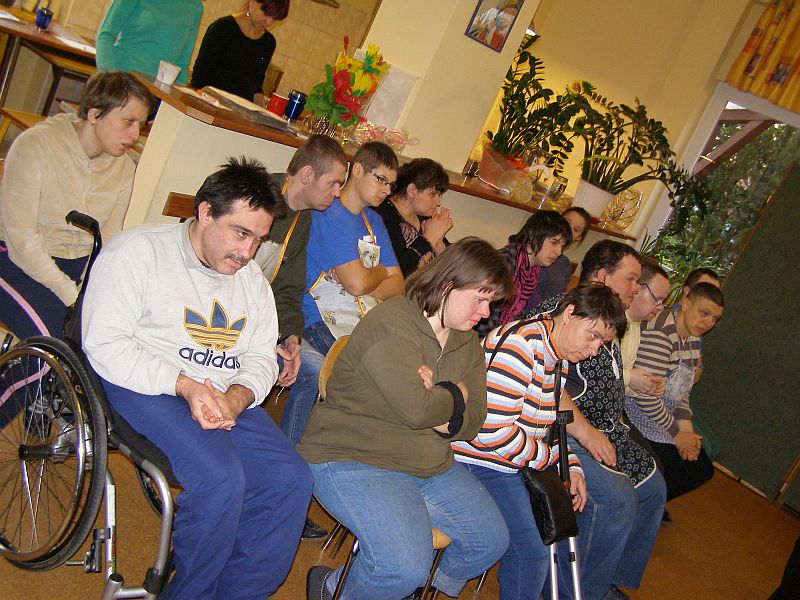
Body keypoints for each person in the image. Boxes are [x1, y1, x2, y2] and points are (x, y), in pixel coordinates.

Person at [82, 157, 313, 600]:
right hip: (147, 385)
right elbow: (105, 342)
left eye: (259, 239)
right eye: (240, 233)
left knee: (291, 480)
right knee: (221, 480)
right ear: (205, 212)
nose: (248, 252)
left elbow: (261, 355)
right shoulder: (138, 253)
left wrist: (238, 397)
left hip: (223, 393)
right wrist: (184, 385)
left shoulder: (251, 280)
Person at [300, 237, 514, 600]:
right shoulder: (392, 322)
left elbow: (475, 419)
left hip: (428, 462)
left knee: (489, 541)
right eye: (480, 299)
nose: (485, 313)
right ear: (448, 284)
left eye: (490, 302)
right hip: (356, 456)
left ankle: (398, 591)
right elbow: (418, 411)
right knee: (402, 567)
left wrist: (440, 405)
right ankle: (340, 590)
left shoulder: (466, 343)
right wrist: (455, 394)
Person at [454, 283, 629, 600]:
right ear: (570, 313)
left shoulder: (556, 354)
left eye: (602, 343)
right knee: (531, 553)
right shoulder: (520, 346)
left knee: (556, 534)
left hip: (510, 462)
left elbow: (546, 426)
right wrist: (549, 460)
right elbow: (492, 433)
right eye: (593, 336)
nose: (593, 350)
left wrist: (570, 465)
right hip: (479, 461)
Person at [531, 240, 667, 600]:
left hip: (602, 428)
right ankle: (578, 592)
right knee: (617, 501)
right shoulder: (565, 313)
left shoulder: (609, 320)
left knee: (653, 489)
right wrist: (587, 432)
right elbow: (546, 382)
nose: (635, 288)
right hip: (558, 430)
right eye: (631, 279)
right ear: (603, 276)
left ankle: (604, 581)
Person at [0, 71, 153, 340]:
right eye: (128, 121)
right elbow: (22, 241)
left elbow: (109, 238)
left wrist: (89, 291)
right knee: (59, 344)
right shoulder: (35, 145)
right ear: (94, 115)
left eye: (141, 124)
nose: (135, 134)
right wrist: (72, 296)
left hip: (76, 269)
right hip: (16, 263)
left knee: (110, 338)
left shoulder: (124, 167)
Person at [254, 134, 347, 539]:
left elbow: (288, 289)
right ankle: (272, 482)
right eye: (334, 183)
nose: (337, 193)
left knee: (309, 366)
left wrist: (290, 337)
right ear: (306, 174)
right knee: (305, 367)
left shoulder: (302, 218)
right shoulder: (255, 196)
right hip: (228, 319)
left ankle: (281, 485)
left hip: (265, 321)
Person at [302, 141, 404, 356]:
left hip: (363, 320)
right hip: (320, 321)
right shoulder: (329, 211)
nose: (387, 191)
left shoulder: (374, 221)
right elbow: (357, 284)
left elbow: (397, 286)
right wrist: (380, 272)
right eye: (381, 180)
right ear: (357, 170)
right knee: (365, 370)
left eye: (391, 185)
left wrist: (363, 279)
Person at [625, 282, 724, 501]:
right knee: (676, 470)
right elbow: (645, 397)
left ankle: (649, 508)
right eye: (704, 313)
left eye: (715, 319)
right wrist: (677, 435)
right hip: (637, 411)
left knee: (702, 469)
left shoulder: (693, 338)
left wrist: (687, 434)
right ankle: (640, 506)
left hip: (662, 414)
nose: (708, 322)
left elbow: (682, 392)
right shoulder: (662, 332)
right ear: (686, 303)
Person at [475, 210, 572, 338]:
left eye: (562, 246)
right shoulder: (505, 263)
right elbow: (483, 318)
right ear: (533, 235)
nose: (558, 252)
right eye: (554, 242)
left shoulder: (531, 270)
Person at [191, 0, 289, 104]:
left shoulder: (268, 42)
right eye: (266, 13)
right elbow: (199, 77)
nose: (268, 22)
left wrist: (262, 110)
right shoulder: (223, 28)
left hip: (240, 110)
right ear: (252, 3)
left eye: (274, 18)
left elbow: (256, 86)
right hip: (211, 104)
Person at [375, 157, 452, 277]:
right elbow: (398, 273)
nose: (438, 203)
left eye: (439, 196)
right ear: (412, 190)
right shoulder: (382, 216)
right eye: (433, 195)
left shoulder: (425, 218)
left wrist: (441, 250)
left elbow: (453, 270)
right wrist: (430, 238)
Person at [96, 0, 204, 85]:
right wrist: (111, 81)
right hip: (122, 82)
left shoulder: (196, 7)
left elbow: (182, 65)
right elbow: (106, 36)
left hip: (157, 96)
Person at [622, 259, 672, 398]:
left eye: (663, 302)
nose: (661, 307)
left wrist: (646, 386)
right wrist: (629, 377)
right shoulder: (612, 319)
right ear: (637, 288)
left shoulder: (635, 326)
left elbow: (618, 386)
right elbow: (593, 372)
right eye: (657, 299)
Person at [532, 206, 592, 310]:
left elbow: (556, 301)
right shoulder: (533, 249)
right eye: (566, 222)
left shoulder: (564, 265)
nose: (567, 229)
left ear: (578, 238)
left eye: (575, 229)